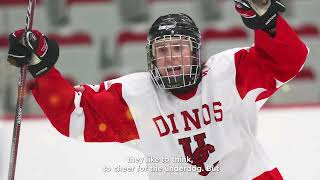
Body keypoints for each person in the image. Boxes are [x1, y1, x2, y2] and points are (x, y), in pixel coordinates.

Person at [7, 0, 308, 179]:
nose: (172, 58)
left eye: (179, 48)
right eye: (163, 51)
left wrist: (267, 21)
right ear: (152, 57)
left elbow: (285, 61)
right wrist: (43, 68)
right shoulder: (137, 100)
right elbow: (76, 116)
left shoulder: (229, 74)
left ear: (196, 53)